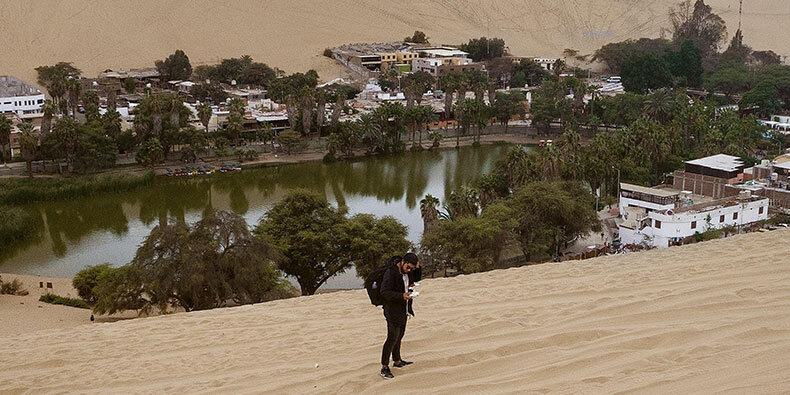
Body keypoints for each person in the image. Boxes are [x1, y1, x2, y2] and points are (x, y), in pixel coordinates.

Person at [379, 253, 419, 379]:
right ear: (403, 262)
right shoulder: (391, 272)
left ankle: (397, 360)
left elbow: (413, 279)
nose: (410, 270)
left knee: (400, 336)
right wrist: (401, 296)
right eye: (408, 267)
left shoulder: (408, 272)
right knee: (392, 338)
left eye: (412, 268)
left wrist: (410, 288)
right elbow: (384, 292)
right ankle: (384, 367)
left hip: (404, 309)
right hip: (392, 310)